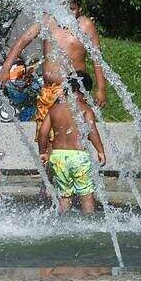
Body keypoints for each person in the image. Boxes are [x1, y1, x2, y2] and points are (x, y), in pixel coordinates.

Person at [0, 0, 107, 141]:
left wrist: (101, 89)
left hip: (74, 92)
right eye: (62, 9)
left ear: (80, 9)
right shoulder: (47, 21)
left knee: (71, 136)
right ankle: (47, 163)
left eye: (72, 9)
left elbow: (97, 59)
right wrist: (6, 68)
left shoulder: (86, 26)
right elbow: (22, 42)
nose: (67, 14)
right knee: (45, 137)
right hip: (48, 90)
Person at [37, 76, 107, 214]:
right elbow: (91, 131)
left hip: (58, 157)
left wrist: (43, 152)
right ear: (82, 90)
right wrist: (100, 150)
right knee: (86, 194)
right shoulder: (85, 109)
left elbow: (43, 133)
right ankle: (89, 222)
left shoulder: (55, 109)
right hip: (78, 157)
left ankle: (65, 222)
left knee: (64, 194)